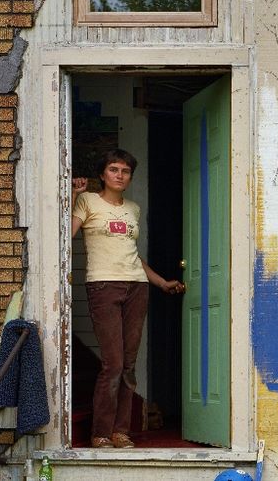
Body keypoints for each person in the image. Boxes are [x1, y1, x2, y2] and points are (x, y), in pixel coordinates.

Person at [71, 149, 185, 449]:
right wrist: (71, 196)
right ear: (102, 174)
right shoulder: (88, 201)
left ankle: (122, 432)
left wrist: (161, 282)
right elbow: (65, 235)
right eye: (113, 169)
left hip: (137, 287)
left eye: (125, 171)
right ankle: (101, 433)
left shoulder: (133, 209)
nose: (120, 175)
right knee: (113, 362)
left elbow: (133, 256)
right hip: (103, 286)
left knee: (128, 365)